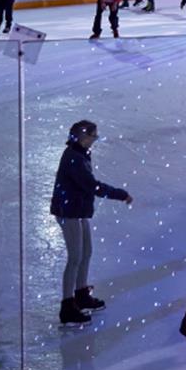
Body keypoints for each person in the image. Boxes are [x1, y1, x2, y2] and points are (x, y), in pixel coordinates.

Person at [49, 120, 132, 325]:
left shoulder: (80, 153)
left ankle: (81, 294)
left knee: (86, 252)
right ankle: (67, 306)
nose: (95, 140)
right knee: (75, 257)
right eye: (94, 136)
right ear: (84, 137)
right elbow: (91, 186)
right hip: (69, 211)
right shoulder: (74, 158)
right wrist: (119, 194)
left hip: (78, 209)